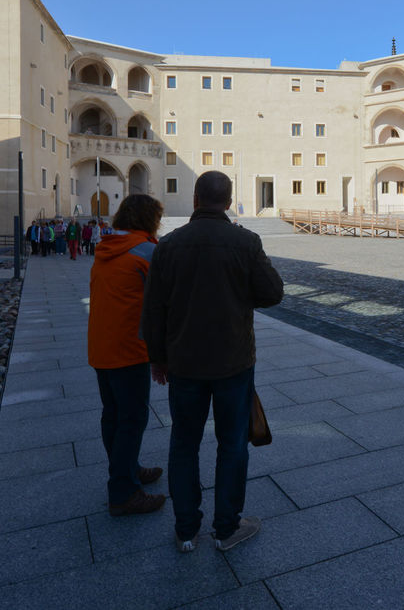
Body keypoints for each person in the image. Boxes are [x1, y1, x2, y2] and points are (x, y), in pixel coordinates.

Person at [141, 171, 284, 554]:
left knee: (183, 444)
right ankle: (226, 529)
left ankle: (186, 530)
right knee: (232, 444)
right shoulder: (245, 241)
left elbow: (153, 308)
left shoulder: (168, 245)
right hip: (233, 362)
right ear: (229, 199)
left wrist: (157, 358)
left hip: (184, 363)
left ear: (195, 199)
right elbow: (273, 293)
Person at [88, 195, 167, 516]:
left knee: (113, 415)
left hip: (101, 346)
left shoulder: (106, 247)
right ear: (150, 219)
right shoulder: (147, 251)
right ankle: (123, 491)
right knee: (132, 419)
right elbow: (161, 305)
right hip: (129, 349)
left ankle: (129, 469)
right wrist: (162, 355)